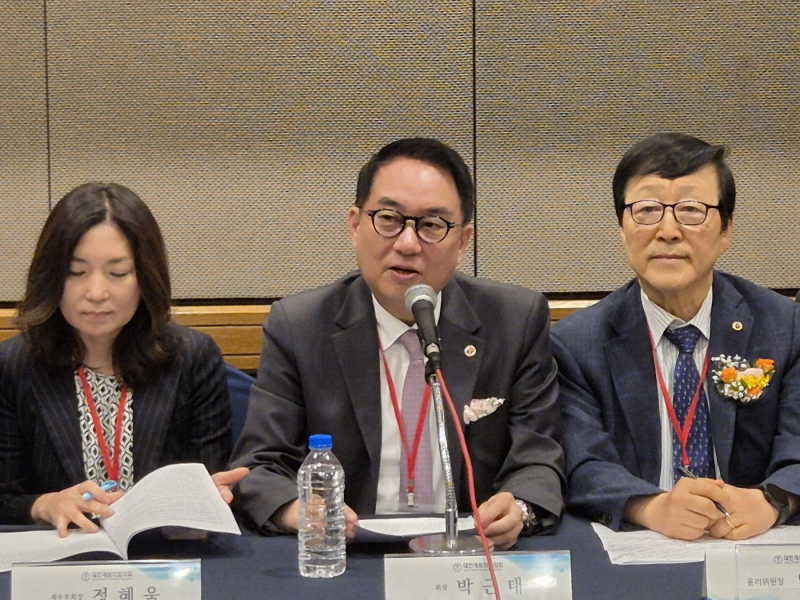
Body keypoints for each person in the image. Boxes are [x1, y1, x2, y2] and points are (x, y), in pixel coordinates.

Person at [231, 138, 565, 549]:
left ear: (463, 242)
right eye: (389, 219)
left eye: (432, 225)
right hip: (351, 552)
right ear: (355, 225)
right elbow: (260, 465)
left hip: (470, 551)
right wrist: (296, 511)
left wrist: (521, 507)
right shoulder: (299, 327)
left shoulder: (514, 321)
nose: (407, 244)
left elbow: (540, 458)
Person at [551, 133, 800, 541]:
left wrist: (771, 500)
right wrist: (651, 506)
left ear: (726, 230)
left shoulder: (784, 325)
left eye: (691, 210)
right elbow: (581, 463)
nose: (668, 231)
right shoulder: (576, 344)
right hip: (640, 545)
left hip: (753, 542)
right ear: (622, 228)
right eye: (647, 210)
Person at [0, 182, 248, 536]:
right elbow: (4, 498)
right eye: (75, 272)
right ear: (51, 276)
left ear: (146, 276)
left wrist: (207, 502)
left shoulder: (193, 358)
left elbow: (210, 482)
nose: (96, 293)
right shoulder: (13, 365)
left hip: (161, 555)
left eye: (118, 273)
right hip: (62, 552)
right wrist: (44, 505)